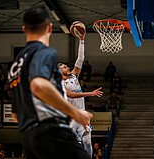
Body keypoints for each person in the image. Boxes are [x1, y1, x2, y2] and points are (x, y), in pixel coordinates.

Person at [8, 6, 93, 159]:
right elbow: (39, 86)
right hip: (49, 130)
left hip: (28, 136)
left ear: (24, 29)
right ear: (49, 28)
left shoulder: (15, 65)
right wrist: (76, 114)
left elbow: (15, 114)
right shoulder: (43, 52)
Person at [59, 35, 103, 158]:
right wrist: (90, 93)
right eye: (64, 67)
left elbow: (80, 58)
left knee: (88, 142)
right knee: (74, 145)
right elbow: (71, 95)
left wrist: (82, 40)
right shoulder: (59, 83)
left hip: (82, 114)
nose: (67, 67)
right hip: (71, 117)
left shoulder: (73, 76)